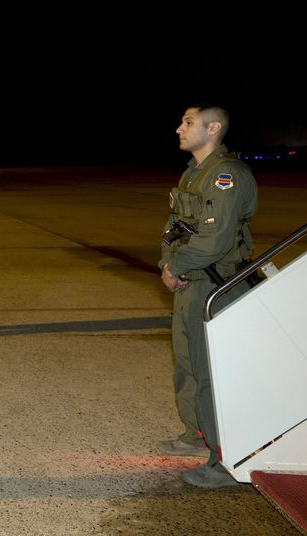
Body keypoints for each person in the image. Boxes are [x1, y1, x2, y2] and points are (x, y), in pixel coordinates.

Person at [158, 104, 257, 489]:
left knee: (210, 376)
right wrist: (167, 265)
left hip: (214, 284)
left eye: (188, 123)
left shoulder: (226, 175)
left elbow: (214, 239)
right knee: (187, 364)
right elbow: (174, 227)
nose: (179, 128)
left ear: (213, 128)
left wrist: (177, 267)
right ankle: (196, 434)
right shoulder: (194, 174)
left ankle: (225, 461)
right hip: (189, 282)